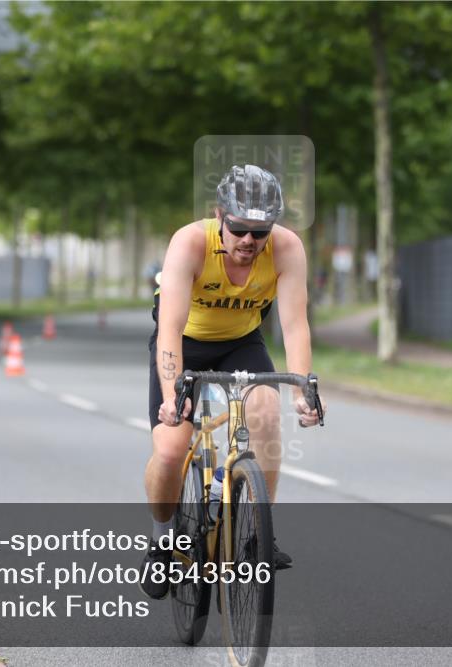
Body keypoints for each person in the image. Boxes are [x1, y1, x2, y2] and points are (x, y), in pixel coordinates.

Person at [139, 164, 327, 599]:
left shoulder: (286, 249)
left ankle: (257, 537)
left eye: (259, 231)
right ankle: (162, 541)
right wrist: (172, 396)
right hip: (185, 342)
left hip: (241, 341)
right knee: (169, 449)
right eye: (239, 227)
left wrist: (303, 390)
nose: (248, 240)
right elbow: (169, 329)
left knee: (265, 415)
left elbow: (296, 326)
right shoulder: (189, 242)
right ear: (220, 215)